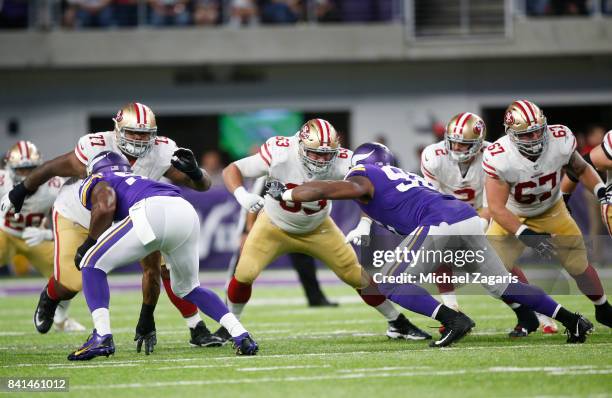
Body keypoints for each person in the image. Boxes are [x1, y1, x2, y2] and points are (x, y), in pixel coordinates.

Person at [269, 142, 594, 345]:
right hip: (462, 217)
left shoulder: (364, 173)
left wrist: (286, 193)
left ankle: (454, 319)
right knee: (502, 285)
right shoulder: (397, 175)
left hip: (441, 223)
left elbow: (334, 190)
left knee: (391, 283)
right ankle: (572, 320)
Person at [0, 102, 222, 350]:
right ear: (117, 129)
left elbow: (203, 185)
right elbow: (51, 167)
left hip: (130, 214)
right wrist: (20, 191)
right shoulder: (96, 146)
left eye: (145, 133)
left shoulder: (162, 151)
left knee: (163, 269)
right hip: (79, 215)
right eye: (133, 132)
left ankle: (196, 327)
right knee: (72, 282)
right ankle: (51, 296)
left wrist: (195, 172)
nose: (139, 139)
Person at [216, 118, 433, 344]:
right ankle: (230, 326)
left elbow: (373, 192)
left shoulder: (344, 160)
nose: (321, 160)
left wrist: (365, 223)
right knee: (244, 274)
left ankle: (397, 322)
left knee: (357, 275)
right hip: (273, 224)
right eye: (314, 153)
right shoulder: (280, 152)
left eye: (326, 154)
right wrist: (242, 195)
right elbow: (233, 169)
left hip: (318, 227)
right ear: (300, 145)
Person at [68, 151, 257, 360]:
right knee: (188, 288)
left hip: (151, 210)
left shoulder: (98, 179)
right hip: (184, 210)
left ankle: (101, 336)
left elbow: (105, 206)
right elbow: (151, 261)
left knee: (90, 262)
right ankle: (240, 334)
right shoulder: (141, 179)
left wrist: (89, 243)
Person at [420, 112, 557, 334]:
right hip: (447, 212)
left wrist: (476, 226)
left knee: (502, 264)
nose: (456, 148)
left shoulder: (493, 155)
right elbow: (432, 200)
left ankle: (542, 313)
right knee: (438, 249)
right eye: (452, 142)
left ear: (478, 143)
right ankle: (451, 310)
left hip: (486, 212)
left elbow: (493, 204)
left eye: (463, 145)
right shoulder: (433, 156)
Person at [484, 100, 612, 334]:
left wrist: (601, 190)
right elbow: (496, 208)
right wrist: (527, 235)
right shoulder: (499, 156)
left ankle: (603, 308)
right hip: (512, 214)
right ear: (510, 134)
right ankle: (526, 314)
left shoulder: (560, 139)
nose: (534, 139)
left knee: (579, 266)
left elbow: (581, 169)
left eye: (537, 131)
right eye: (527, 134)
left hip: (552, 210)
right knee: (493, 272)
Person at [0, 141, 84, 332]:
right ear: (9, 168)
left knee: (70, 273)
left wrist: (47, 233)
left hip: (37, 237)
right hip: (4, 232)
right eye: (21, 169)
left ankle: (61, 320)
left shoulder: (54, 186)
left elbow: (72, 218)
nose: (26, 174)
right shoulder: (2, 181)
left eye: (31, 168)